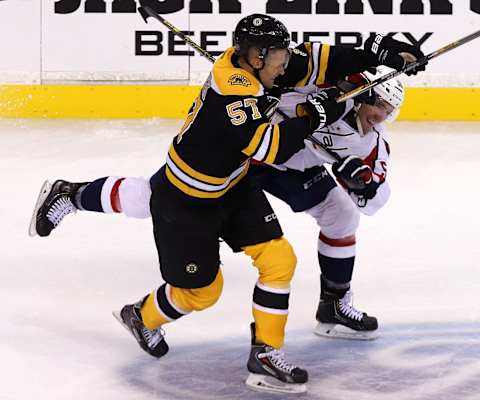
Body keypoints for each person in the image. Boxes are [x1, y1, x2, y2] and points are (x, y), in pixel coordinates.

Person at [29, 14, 424, 394]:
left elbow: (318, 59)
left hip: (232, 186)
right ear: (257, 58)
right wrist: (314, 113)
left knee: (279, 260)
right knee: (200, 290)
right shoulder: (232, 99)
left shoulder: (261, 66)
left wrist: (375, 53)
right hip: (189, 196)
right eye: (278, 57)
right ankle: (140, 313)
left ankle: (266, 354)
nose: (285, 64)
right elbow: (272, 147)